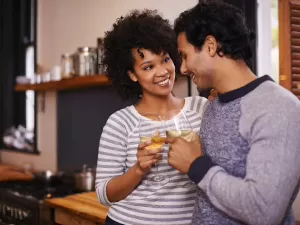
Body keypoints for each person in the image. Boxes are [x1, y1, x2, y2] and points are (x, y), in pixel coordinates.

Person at [166, 1, 300, 225]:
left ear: (210, 46)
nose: (182, 69)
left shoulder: (279, 108)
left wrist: (196, 165)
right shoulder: (214, 105)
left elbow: (264, 212)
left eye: (185, 55)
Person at [95, 9, 208, 225]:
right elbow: (104, 195)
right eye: (148, 67)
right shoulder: (120, 123)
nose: (163, 71)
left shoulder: (201, 109)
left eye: (165, 59)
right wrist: (138, 169)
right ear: (131, 74)